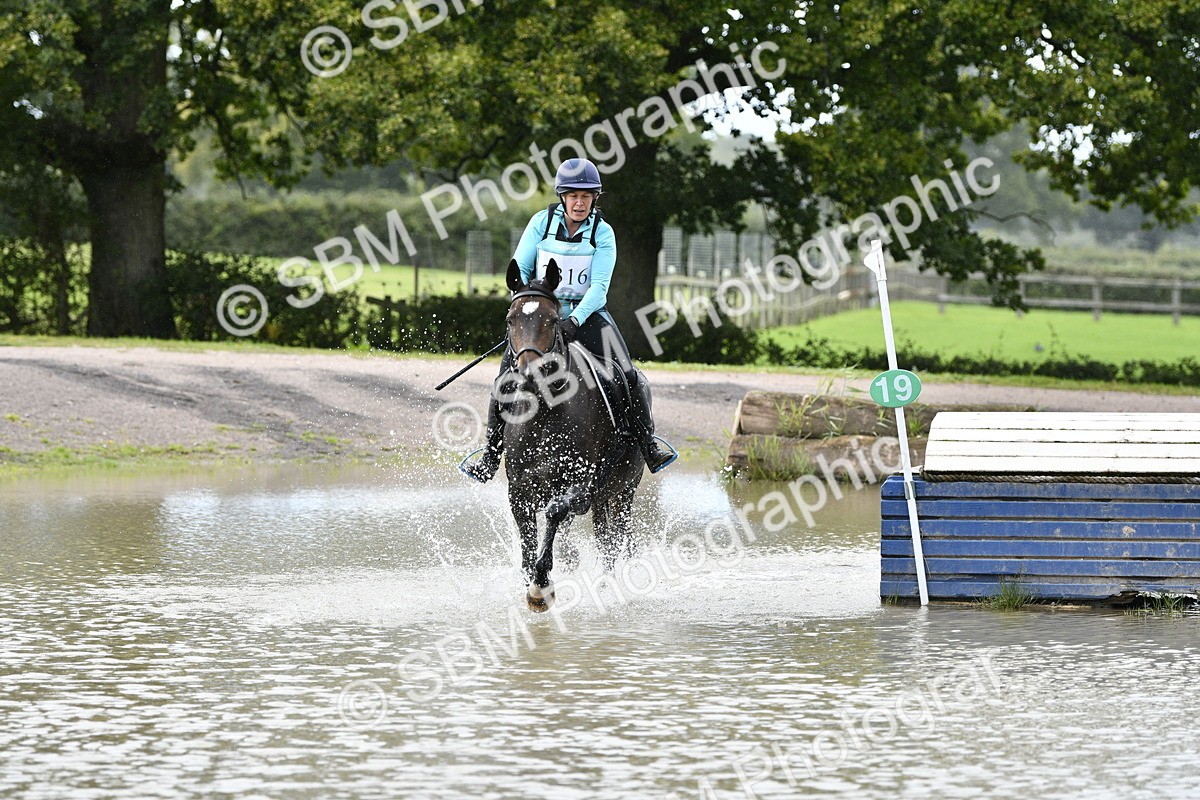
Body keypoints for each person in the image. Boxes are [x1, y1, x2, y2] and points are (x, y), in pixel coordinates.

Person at [461, 157, 677, 482]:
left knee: (628, 375)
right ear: (562, 196)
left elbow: (599, 288)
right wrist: (530, 304)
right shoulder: (541, 222)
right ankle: (491, 456)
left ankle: (647, 445)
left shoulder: (602, 233)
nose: (579, 203)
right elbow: (521, 267)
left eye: (586, 196)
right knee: (504, 379)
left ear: (595, 198)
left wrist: (574, 320)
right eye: (573, 196)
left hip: (587, 315)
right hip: (542, 316)